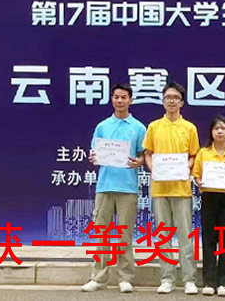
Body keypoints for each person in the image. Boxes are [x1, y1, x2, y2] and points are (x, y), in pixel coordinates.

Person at [81, 83, 147, 293]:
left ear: (131, 100)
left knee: (124, 234)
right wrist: (94, 157)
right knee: (101, 232)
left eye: (123, 97)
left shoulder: (138, 127)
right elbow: (95, 153)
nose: (119, 101)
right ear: (112, 99)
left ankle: (125, 278)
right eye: (116, 97)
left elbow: (143, 155)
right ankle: (99, 278)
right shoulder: (102, 126)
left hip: (128, 187)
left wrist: (139, 161)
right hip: (105, 186)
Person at [144, 81, 200, 294]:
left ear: (182, 102)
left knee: (185, 235)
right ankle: (167, 278)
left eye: (176, 98)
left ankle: (189, 279)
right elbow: (148, 153)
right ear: (163, 101)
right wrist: (153, 168)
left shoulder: (189, 128)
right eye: (168, 97)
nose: (172, 101)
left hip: (181, 189)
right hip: (160, 189)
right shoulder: (154, 127)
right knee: (163, 235)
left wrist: (186, 167)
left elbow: (194, 155)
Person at [192, 116, 225, 297]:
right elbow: (197, 174)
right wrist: (199, 182)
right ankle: (209, 281)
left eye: (223, 128)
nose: (220, 131)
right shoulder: (204, 153)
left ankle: (224, 282)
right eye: (216, 128)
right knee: (209, 240)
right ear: (211, 132)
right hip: (209, 198)